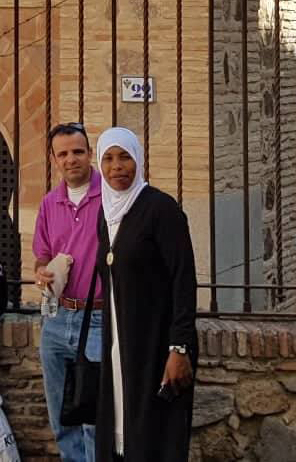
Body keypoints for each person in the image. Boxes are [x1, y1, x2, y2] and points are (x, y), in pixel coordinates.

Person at [93, 128, 197, 462]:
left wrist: (179, 347)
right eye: (108, 159)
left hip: (155, 345)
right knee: (118, 438)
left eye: (124, 157)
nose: (116, 167)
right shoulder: (105, 213)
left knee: (155, 437)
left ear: (138, 158)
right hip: (117, 345)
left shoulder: (160, 209)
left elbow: (183, 280)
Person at [32, 122, 104, 461]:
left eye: (77, 151)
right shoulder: (49, 203)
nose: (71, 159)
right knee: (61, 414)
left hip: (99, 318)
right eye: (63, 154)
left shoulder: (110, 197)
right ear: (53, 159)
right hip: (57, 317)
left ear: (89, 153)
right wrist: (41, 272)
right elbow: (41, 254)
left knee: (94, 418)